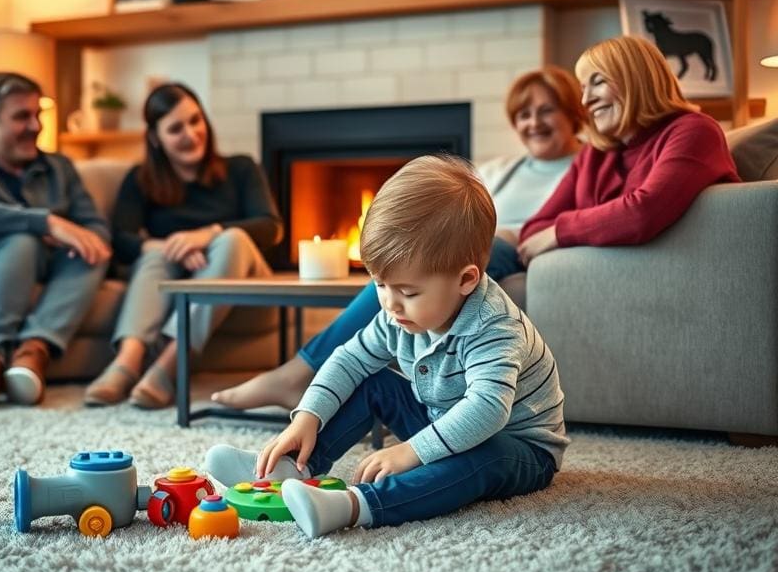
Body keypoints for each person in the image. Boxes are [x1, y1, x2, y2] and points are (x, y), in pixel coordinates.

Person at [205, 154, 567, 538]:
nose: (390, 304)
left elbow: (487, 410)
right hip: (440, 418)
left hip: (518, 447)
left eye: (408, 291)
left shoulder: (494, 326)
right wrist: (308, 415)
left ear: (465, 280)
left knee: (482, 459)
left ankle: (357, 506)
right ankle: (294, 467)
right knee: (372, 381)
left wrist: (410, 452)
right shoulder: (399, 315)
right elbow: (348, 359)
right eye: (379, 285)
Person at [213, 66, 586, 411]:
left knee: (466, 251)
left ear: (572, 112)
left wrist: (520, 233)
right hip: (455, 244)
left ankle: (299, 372)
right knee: (398, 273)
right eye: (524, 114)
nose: (533, 122)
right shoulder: (500, 169)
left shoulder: (585, 166)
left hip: (515, 250)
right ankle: (310, 372)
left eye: (546, 110)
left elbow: (583, 220)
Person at [83, 82, 283, 408]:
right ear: (155, 138)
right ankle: (127, 361)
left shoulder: (241, 168)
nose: (190, 134)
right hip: (181, 278)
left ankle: (169, 365)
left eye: (195, 120)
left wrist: (207, 235)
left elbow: (271, 227)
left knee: (232, 239)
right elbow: (120, 241)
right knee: (154, 256)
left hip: (246, 284)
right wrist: (173, 246)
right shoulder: (141, 180)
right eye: (175, 128)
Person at [0, 72, 111, 406]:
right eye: (21, 116)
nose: (36, 125)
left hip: (60, 269)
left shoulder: (58, 167)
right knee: (20, 240)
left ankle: (33, 352)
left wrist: (81, 238)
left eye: (37, 114)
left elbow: (94, 226)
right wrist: (44, 223)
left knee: (93, 250)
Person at [515, 34, 739, 265]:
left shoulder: (695, 130)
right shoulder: (595, 152)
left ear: (636, 80)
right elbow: (533, 230)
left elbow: (642, 214)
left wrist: (560, 232)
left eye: (598, 82)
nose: (585, 100)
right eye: (583, 88)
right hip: (586, 277)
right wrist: (602, 225)